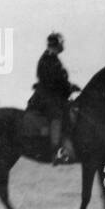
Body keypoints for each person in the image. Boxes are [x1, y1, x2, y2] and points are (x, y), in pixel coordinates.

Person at [29, 32, 79, 164]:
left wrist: (70, 86)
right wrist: (68, 87)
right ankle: (55, 153)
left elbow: (60, 79)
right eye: (62, 43)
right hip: (46, 98)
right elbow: (51, 81)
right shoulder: (47, 59)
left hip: (54, 96)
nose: (63, 46)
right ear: (56, 44)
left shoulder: (53, 58)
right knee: (57, 116)